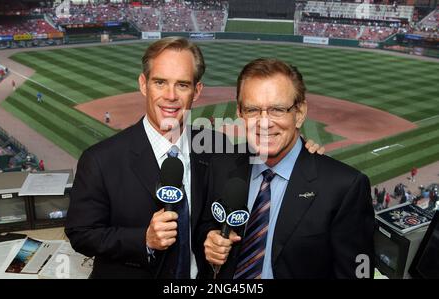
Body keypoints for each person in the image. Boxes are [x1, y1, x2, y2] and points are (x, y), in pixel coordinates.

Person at [65, 37, 323, 279]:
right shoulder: (101, 159)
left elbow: (265, 156)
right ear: (143, 84)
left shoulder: (216, 145)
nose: (171, 96)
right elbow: (81, 233)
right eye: (160, 82)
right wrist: (143, 239)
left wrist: (302, 152)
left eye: (183, 84)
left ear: (197, 91)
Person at [199, 58, 375, 279]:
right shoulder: (222, 165)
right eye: (253, 110)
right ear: (240, 114)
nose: (264, 123)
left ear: (299, 112)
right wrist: (210, 238)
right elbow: (206, 224)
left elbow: (359, 273)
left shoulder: (344, 187)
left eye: (277, 109)